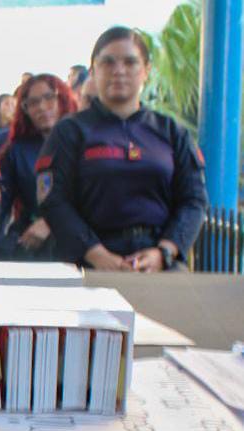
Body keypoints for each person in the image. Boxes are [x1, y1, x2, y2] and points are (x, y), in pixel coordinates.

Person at [38, 27, 208, 271]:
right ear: (93, 71)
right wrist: (97, 255)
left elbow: (194, 199)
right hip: (88, 262)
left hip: (160, 262)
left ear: (146, 70)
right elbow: (53, 200)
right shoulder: (69, 132)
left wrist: (164, 252)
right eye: (108, 62)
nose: (119, 71)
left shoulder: (172, 132)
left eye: (130, 62)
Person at [0, 73, 76, 261]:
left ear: (62, 99)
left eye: (49, 97)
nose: (42, 107)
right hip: (31, 242)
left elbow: (94, 200)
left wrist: (51, 222)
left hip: (80, 242)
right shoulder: (16, 150)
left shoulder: (83, 142)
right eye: (33, 102)